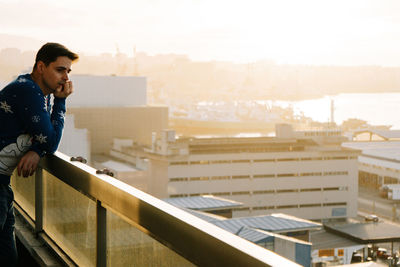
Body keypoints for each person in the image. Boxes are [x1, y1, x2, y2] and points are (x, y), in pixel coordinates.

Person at [0, 42, 78, 266]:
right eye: (59, 69)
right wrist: (61, 102)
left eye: (68, 71)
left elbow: (39, 136)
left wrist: (36, 150)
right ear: (41, 67)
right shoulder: (28, 91)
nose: (65, 77)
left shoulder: (37, 93)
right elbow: (50, 141)